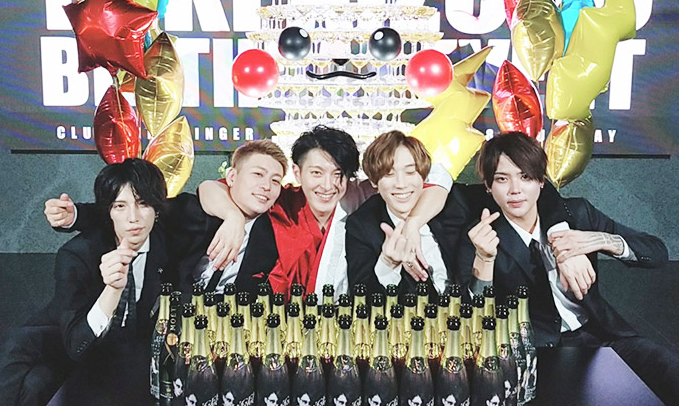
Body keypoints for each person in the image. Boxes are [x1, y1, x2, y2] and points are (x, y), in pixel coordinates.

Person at [459, 131, 679, 404]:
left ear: (541, 181)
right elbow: (473, 314)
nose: (515, 189)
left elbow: (656, 252)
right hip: (534, 352)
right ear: (489, 187)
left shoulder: (577, 213)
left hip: (600, 336)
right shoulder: (480, 234)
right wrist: (484, 258)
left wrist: (602, 240)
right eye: (502, 179)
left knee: (666, 369)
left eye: (525, 177)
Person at [0, 158, 205, 404]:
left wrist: (233, 218)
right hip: (76, 343)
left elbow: (208, 198)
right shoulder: (78, 255)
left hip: (138, 356)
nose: (133, 218)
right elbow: (76, 345)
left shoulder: (169, 238)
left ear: (157, 208)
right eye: (120, 206)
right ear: (108, 212)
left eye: (143, 203)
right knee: (33, 381)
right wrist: (112, 290)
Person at [197, 126, 453, 298]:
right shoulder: (280, 198)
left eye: (338, 174)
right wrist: (232, 217)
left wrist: (413, 223)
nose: (328, 186)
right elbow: (209, 188)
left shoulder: (355, 195)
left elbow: (435, 177)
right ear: (297, 173)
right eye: (316, 173)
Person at [43, 140, 288, 297]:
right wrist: (74, 215)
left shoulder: (278, 233)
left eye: (275, 180)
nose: (266, 186)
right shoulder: (193, 210)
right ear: (232, 177)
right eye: (258, 174)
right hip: (174, 319)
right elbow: (132, 213)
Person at [345, 131, 460, 298]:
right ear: (374, 181)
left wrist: (413, 223)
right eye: (389, 174)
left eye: (410, 172)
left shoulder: (452, 205)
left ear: (424, 176)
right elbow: (362, 297)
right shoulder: (362, 225)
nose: (401, 184)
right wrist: (388, 264)